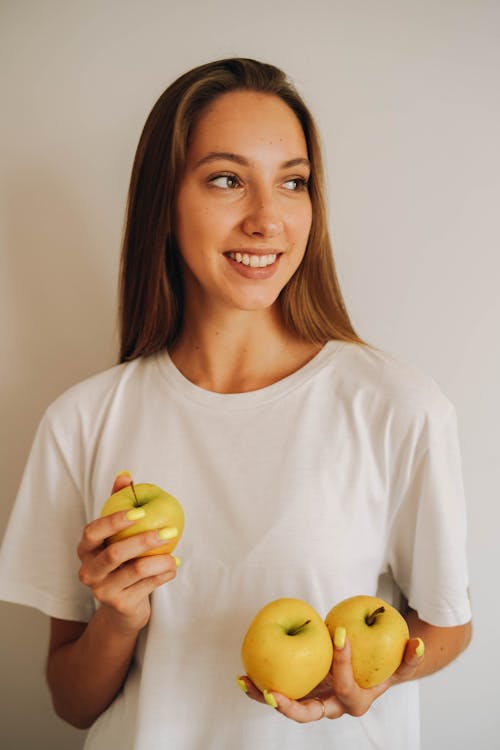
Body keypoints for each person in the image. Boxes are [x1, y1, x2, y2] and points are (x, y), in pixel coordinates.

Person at [0, 58, 472, 750]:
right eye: (227, 180)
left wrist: (371, 680)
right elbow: (72, 703)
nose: (267, 218)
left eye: (293, 182)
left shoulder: (397, 406)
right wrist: (118, 619)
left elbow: (449, 623)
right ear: (164, 203)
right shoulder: (83, 421)